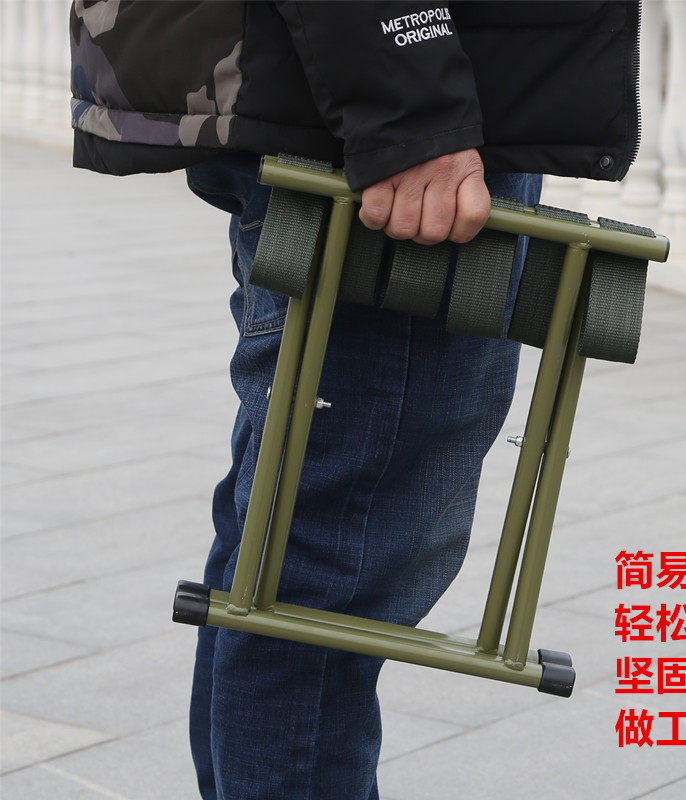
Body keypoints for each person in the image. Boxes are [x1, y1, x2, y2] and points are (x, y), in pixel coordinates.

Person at [69, 2, 643, 797]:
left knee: (280, 558)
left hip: (356, 94)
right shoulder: (408, 113)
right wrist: (413, 112)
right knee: (321, 580)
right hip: (392, 124)